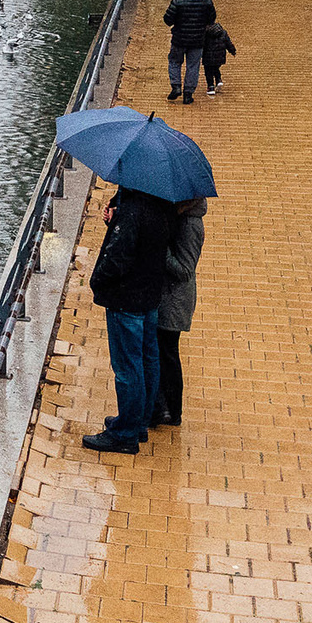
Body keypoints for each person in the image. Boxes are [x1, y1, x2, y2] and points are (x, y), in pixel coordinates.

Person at [84, 184, 178, 453]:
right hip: (149, 296)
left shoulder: (133, 210)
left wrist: (97, 280)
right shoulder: (163, 203)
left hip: (126, 299)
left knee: (127, 368)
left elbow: (118, 258)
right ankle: (138, 423)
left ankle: (125, 434)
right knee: (148, 360)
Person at [153, 197, 207, 427]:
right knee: (163, 353)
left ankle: (173, 411)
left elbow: (185, 270)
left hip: (174, 302)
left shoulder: (191, 225)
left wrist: (159, 249)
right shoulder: (180, 217)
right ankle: (164, 408)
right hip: (167, 298)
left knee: (168, 354)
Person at [162, 0, 216, 104]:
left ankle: (176, 86)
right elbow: (211, 19)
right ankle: (188, 94)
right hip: (197, 40)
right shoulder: (207, 2)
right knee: (193, 66)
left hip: (179, 39)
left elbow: (168, 20)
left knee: (174, 61)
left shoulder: (177, 1)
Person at [202, 21, 236, 98]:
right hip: (220, 56)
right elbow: (228, 43)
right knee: (215, 68)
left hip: (208, 56)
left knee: (208, 71)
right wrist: (233, 51)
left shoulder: (205, 33)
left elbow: (201, 44)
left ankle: (211, 87)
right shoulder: (223, 32)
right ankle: (218, 80)